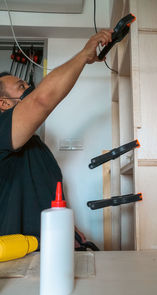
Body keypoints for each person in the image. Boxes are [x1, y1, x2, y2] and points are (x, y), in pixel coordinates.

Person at [0, 29, 113, 248]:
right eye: (22, 87)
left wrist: (72, 231)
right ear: (4, 103)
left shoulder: (36, 146)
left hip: (53, 251)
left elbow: (50, 194)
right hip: (19, 259)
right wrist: (83, 55)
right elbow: (41, 100)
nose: (29, 89)